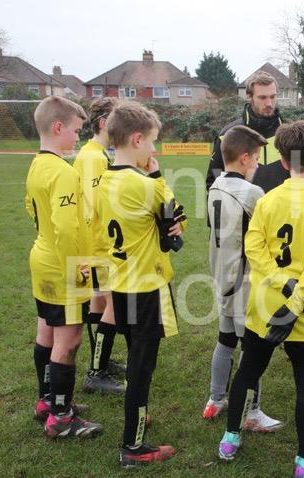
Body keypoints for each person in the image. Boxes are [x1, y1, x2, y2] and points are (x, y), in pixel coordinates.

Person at [217, 120, 304, 478]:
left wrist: (278, 280)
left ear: (284, 162)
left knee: (248, 370)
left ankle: (230, 440)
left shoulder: (267, 198)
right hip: (302, 311)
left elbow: (253, 247)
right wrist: (294, 299)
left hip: (263, 304)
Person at [97, 101, 187, 467]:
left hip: (121, 282)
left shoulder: (103, 179)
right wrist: (157, 174)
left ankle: (138, 414)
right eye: (151, 141)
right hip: (147, 286)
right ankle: (133, 447)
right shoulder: (142, 184)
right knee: (141, 366)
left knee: (136, 354)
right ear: (137, 139)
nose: (154, 149)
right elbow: (176, 212)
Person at [25, 96, 103, 437]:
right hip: (63, 266)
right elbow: (68, 229)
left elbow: (31, 207)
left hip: (42, 258)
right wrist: (76, 268)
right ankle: (61, 417)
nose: (77, 136)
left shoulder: (37, 165)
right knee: (68, 341)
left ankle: (47, 401)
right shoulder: (63, 172)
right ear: (58, 127)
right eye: (76, 130)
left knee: (46, 331)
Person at [204, 125, 282, 432]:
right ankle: (252, 412)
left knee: (225, 340)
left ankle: (215, 399)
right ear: (245, 158)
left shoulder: (215, 184)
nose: (260, 164)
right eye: (258, 158)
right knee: (252, 350)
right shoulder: (252, 192)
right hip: (244, 280)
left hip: (222, 276)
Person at [72, 97, 125, 395]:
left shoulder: (95, 153)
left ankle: (100, 361)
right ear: (104, 123)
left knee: (99, 303)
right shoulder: (93, 157)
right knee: (115, 304)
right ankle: (96, 372)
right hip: (99, 244)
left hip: (93, 243)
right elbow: (96, 204)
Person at [206, 71, 287, 194]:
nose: (269, 103)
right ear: (249, 96)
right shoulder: (228, 134)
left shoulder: (292, 135)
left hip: (281, 207)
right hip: (244, 207)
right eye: (262, 97)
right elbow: (214, 182)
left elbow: (302, 182)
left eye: (272, 96)